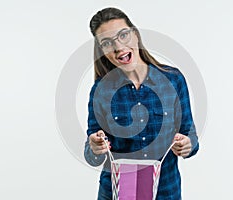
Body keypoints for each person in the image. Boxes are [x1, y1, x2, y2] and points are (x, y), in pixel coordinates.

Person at [84, 7, 199, 200]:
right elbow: (91, 154)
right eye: (107, 43)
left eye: (123, 35)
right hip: (117, 193)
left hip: (165, 192)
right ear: (102, 50)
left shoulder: (173, 80)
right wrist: (95, 147)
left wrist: (187, 145)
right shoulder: (101, 91)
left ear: (135, 35)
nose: (118, 47)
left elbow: (190, 136)